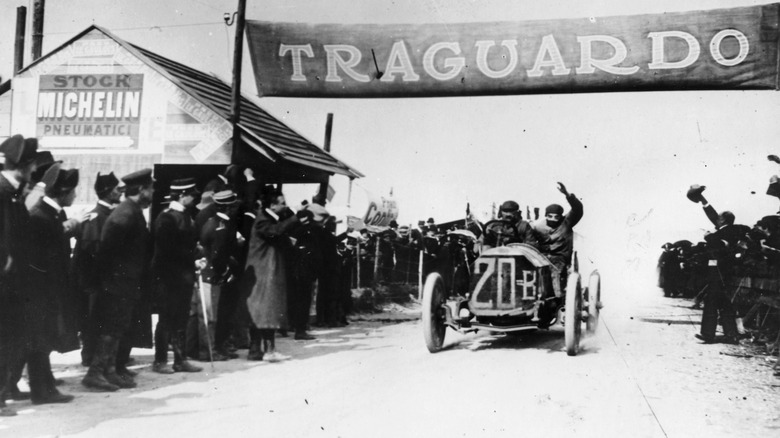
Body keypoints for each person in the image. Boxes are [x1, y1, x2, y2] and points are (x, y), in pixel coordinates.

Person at [85, 169, 154, 391]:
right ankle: (95, 373)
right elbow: (107, 252)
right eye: (150, 189)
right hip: (117, 284)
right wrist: (108, 282)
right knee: (111, 328)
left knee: (117, 328)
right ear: (142, 190)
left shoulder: (131, 211)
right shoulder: (125, 215)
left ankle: (110, 370)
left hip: (124, 282)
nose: (152, 193)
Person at [25, 163, 81, 403]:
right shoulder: (40, 216)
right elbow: (37, 262)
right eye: (73, 191)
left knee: (45, 339)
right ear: (63, 191)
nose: (75, 195)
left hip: (50, 290)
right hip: (41, 291)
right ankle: (41, 392)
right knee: (39, 340)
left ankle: (45, 387)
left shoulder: (53, 214)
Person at [240, 186, 310, 362]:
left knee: (263, 311)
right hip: (264, 273)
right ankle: (268, 351)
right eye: (282, 203)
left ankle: (256, 350)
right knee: (268, 310)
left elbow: (277, 234)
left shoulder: (267, 219)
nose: (285, 206)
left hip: (265, 272)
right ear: (272, 205)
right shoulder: (263, 220)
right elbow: (275, 231)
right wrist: (296, 218)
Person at [0, 135, 41, 415]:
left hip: (13, 283)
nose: (35, 169)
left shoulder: (12, 192)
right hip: (5, 283)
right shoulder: (3, 192)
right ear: (24, 165)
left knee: (10, 338)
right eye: (33, 163)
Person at [151, 178, 203, 374]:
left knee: (181, 318)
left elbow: (187, 245)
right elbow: (167, 250)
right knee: (166, 318)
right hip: (168, 278)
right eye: (192, 195)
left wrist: (196, 252)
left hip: (183, 277)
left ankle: (180, 360)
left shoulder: (186, 216)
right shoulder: (166, 218)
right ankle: (160, 361)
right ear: (182, 196)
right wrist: (192, 258)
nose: (195, 198)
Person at [73, 172, 122, 369]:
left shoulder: (108, 214)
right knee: (92, 321)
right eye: (117, 189)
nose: (120, 192)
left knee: (99, 319)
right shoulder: (96, 216)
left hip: (102, 280)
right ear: (108, 192)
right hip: (94, 281)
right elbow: (92, 250)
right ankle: (89, 357)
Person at [686, 184, 743, 344]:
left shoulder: (729, 231)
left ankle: (708, 334)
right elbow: (712, 215)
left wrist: (708, 237)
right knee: (724, 303)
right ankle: (731, 334)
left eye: (718, 217)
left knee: (711, 302)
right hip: (719, 272)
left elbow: (720, 246)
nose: (715, 219)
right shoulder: (726, 229)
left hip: (720, 272)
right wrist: (703, 200)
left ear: (723, 220)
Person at [195, 189, 243, 361]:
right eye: (233, 206)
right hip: (213, 275)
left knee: (216, 313)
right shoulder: (220, 227)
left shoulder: (217, 223)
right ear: (228, 208)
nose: (235, 209)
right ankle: (208, 350)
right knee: (211, 315)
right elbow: (217, 256)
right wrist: (225, 271)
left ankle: (217, 347)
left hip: (213, 273)